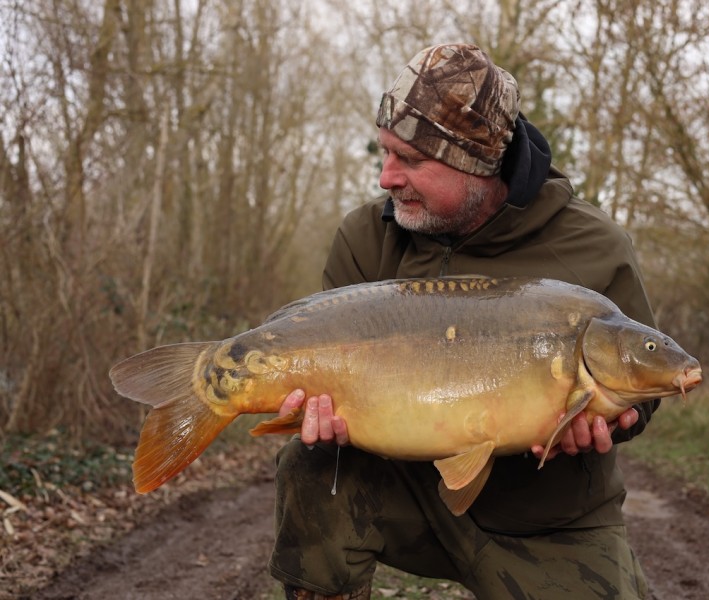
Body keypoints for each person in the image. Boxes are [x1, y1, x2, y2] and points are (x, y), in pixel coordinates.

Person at [269, 43, 658, 600]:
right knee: (311, 468)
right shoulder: (366, 238)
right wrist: (314, 408)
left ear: (477, 165)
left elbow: (646, 383)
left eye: (410, 160)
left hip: (548, 520)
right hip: (405, 491)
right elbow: (324, 370)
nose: (386, 178)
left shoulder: (594, 248)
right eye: (385, 152)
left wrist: (616, 420)